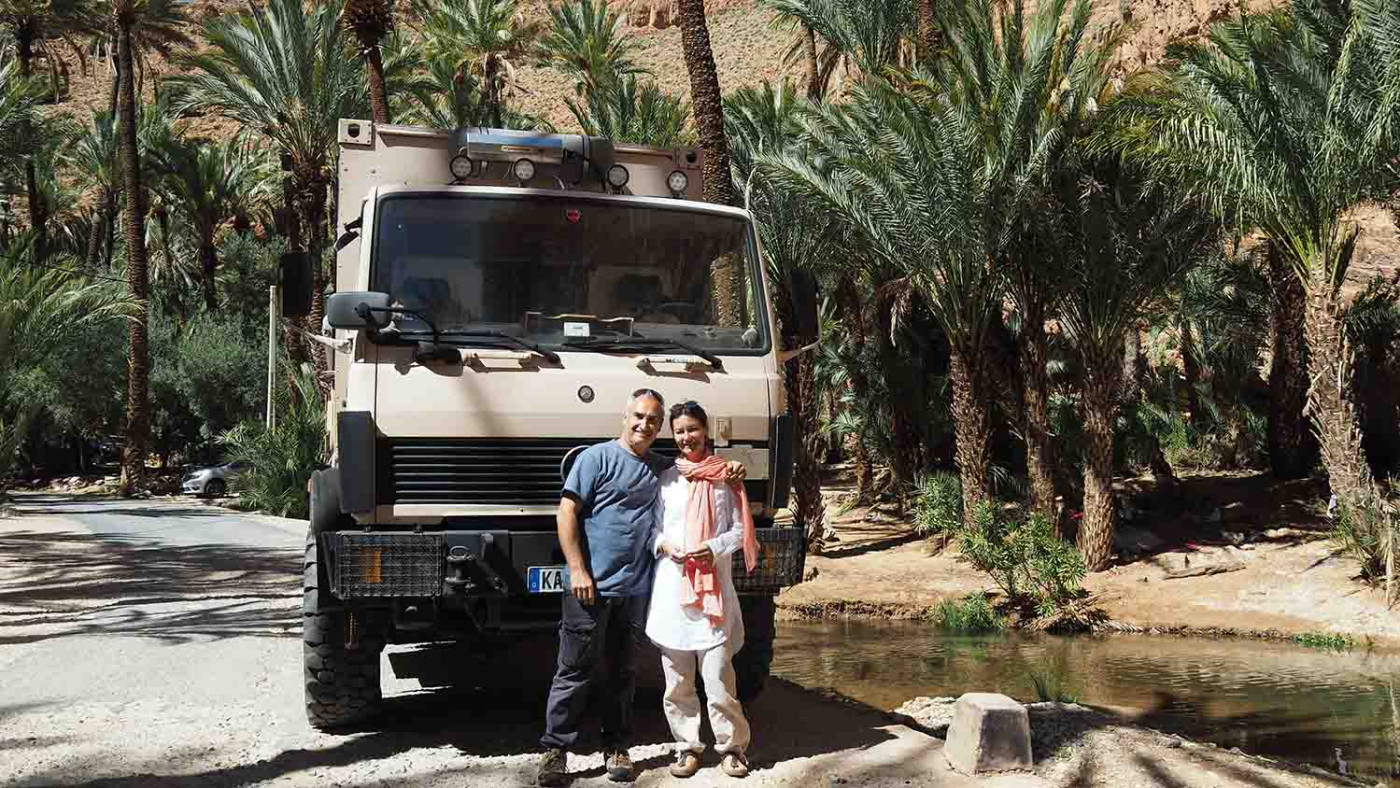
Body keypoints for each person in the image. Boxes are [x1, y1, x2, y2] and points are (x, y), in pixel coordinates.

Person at [537, 389, 744, 787]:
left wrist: (733, 466)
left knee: (622, 673)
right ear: (625, 415)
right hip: (590, 586)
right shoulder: (595, 458)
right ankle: (555, 750)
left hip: (635, 590)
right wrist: (577, 569)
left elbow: (699, 465)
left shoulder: (662, 467)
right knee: (574, 669)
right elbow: (566, 512)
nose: (644, 425)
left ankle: (616, 746)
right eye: (638, 416)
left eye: (653, 420)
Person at [646, 400, 758, 779]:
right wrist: (666, 545)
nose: (686, 437)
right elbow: (653, 528)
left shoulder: (725, 476)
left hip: (713, 594)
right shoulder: (666, 479)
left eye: (692, 429)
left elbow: (740, 531)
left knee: (718, 678)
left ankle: (732, 747)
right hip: (673, 590)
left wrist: (712, 548)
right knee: (677, 681)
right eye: (679, 431)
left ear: (705, 430)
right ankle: (688, 747)